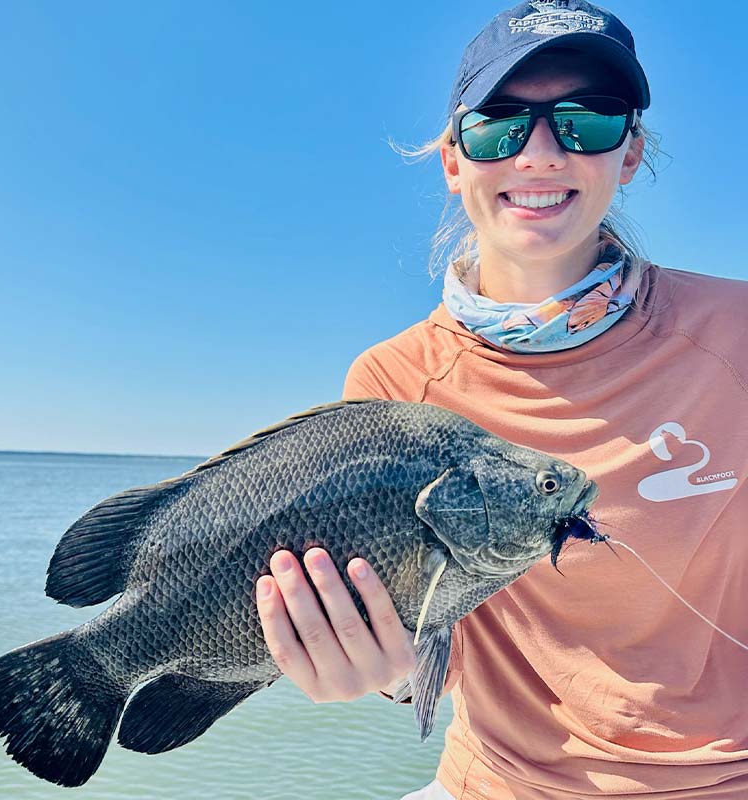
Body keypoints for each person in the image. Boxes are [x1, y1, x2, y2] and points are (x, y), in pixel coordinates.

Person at [256, 2, 748, 798]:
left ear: (630, 153)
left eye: (585, 122)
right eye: (499, 126)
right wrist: (380, 672)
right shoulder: (390, 385)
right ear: (455, 159)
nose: (541, 154)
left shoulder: (738, 331)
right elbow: (424, 662)